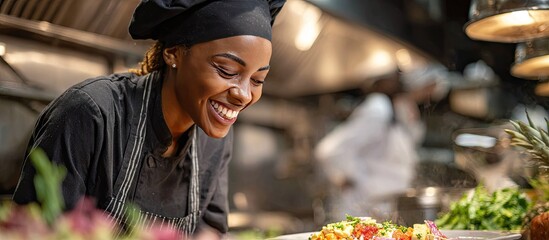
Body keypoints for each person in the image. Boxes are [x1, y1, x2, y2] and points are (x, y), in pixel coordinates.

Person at [12, 0, 286, 238]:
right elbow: (33, 232)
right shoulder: (90, 113)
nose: (244, 94)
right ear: (173, 53)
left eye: (258, 79)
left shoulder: (214, 140)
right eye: (226, 71)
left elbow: (210, 234)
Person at [314, 65, 449, 222]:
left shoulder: (403, 111)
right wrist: (355, 179)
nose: (428, 97)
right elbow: (328, 150)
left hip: (383, 210)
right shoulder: (379, 108)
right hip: (360, 212)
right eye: (428, 89)